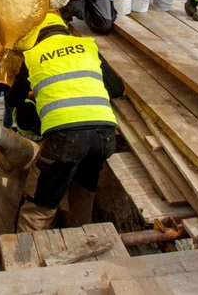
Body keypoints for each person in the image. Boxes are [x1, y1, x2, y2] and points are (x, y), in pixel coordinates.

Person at [9, 12, 117, 231]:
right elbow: (116, 88)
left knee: (39, 201)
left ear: (35, 35)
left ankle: (26, 255)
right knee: (85, 187)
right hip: (104, 135)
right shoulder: (88, 46)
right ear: (63, 29)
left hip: (65, 138)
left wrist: (36, 93)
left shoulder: (33, 54)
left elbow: (13, 99)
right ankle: (80, 232)